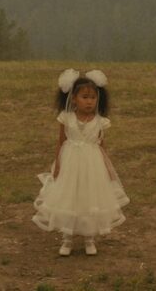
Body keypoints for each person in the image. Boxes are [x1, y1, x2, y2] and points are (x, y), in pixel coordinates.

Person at [32, 68, 129, 256]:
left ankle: (89, 238)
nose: (89, 101)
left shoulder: (100, 121)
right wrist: (58, 165)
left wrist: (108, 169)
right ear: (74, 98)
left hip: (92, 165)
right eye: (84, 97)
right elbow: (61, 142)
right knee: (69, 198)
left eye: (93, 97)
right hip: (70, 163)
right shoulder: (66, 118)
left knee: (89, 198)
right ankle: (67, 239)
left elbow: (101, 145)